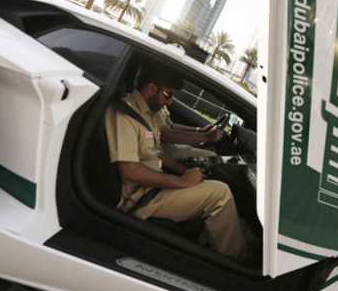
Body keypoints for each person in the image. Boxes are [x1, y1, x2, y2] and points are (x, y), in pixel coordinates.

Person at [104, 66, 248, 259]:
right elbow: (130, 170)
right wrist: (182, 182)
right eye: (167, 95)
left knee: (216, 187)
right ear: (150, 88)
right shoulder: (125, 115)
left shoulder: (150, 114)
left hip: (154, 187)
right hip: (142, 199)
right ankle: (238, 261)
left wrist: (183, 171)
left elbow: (157, 154)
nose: (170, 101)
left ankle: (249, 241)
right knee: (220, 194)